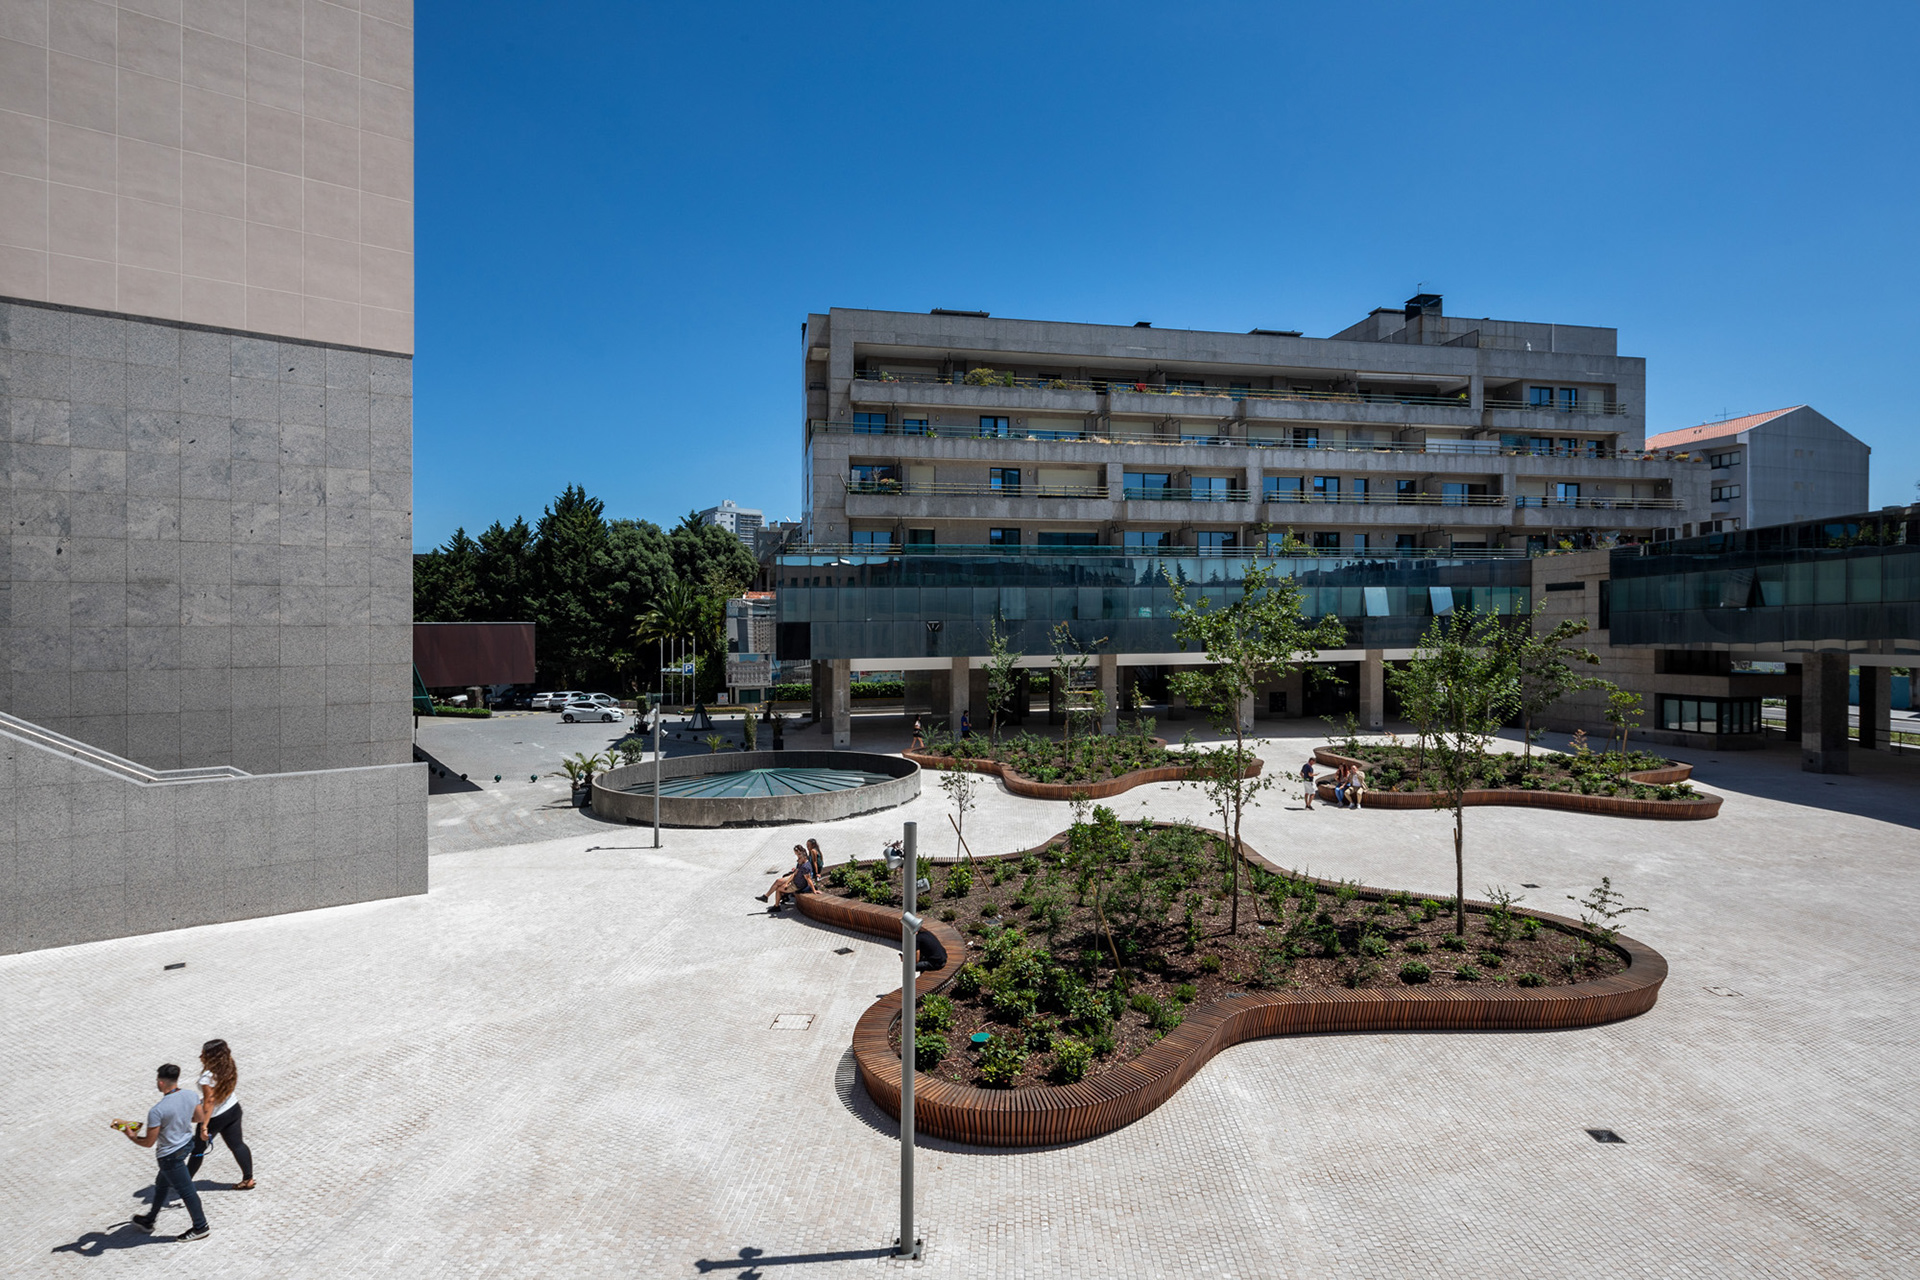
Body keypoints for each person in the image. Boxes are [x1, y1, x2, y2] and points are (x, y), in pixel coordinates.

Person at [121, 1063, 209, 1241]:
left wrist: (130, 1135)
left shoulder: (157, 1111)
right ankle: (150, 1219)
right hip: (186, 1146)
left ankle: (201, 1227)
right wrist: (181, 1118)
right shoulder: (191, 1095)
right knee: (161, 1183)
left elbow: (148, 1142)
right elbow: (199, 1118)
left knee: (187, 1191)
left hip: (169, 1156)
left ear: (161, 1083)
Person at [188, 1039, 254, 1191]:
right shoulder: (229, 1066)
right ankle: (248, 1179)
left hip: (215, 1117)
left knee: (197, 1150)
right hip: (233, 1109)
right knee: (237, 1145)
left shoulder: (207, 1077)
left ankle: (184, 1183)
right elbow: (217, 1094)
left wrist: (204, 1126)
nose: (200, 1056)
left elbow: (210, 1101)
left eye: (204, 1053)